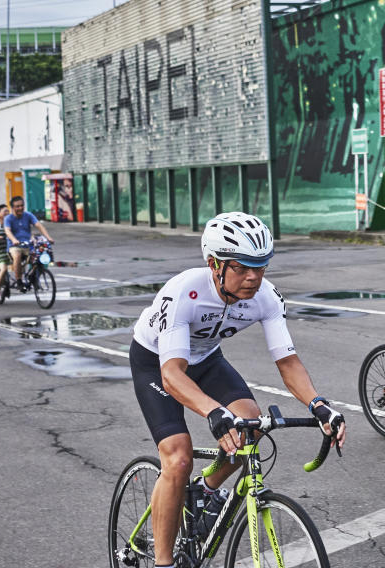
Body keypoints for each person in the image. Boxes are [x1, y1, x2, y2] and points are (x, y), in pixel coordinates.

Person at [129, 212, 346, 568]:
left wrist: (319, 405)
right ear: (214, 264)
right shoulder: (185, 291)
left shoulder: (266, 296)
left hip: (206, 358)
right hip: (156, 361)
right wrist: (213, 411)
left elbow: (288, 362)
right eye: (243, 267)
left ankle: (207, 488)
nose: (253, 277)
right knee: (179, 457)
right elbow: (172, 374)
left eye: (260, 267)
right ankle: (164, 562)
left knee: (250, 422)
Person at [3, 195, 54, 287]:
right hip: (14, 246)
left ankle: (34, 277)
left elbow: (39, 225)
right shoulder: (8, 218)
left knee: (41, 255)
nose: (20, 208)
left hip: (28, 245)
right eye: (17, 206)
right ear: (12, 208)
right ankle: (19, 281)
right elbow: (7, 231)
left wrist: (48, 237)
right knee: (17, 255)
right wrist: (14, 239)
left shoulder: (28, 215)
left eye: (22, 205)